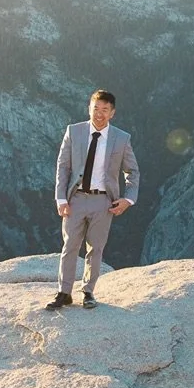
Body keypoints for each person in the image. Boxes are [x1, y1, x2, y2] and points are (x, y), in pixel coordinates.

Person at [47, 89, 140, 311]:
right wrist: (60, 198)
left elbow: (132, 172)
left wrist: (128, 199)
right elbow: (63, 167)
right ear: (89, 108)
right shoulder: (74, 131)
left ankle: (88, 292)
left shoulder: (121, 138)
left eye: (104, 110)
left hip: (103, 202)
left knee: (95, 248)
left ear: (112, 113)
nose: (99, 113)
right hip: (76, 199)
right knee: (70, 245)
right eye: (95, 108)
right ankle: (64, 293)